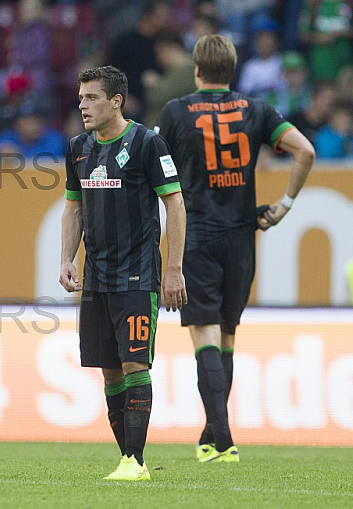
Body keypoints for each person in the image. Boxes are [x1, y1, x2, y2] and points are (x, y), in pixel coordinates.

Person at [156, 34, 315, 463]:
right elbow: (305, 151)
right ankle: (213, 436)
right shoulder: (256, 109)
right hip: (243, 235)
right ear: (234, 69)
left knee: (204, 335)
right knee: (226, 337)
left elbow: (150, 169)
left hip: (197, 235)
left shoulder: (176, 112)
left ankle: (222, 438)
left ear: (196, 69)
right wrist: (285, 204)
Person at [59, 65, 187, 481]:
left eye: (92, 97)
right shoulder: (78, 147)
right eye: (81, 98)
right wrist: (67, 258)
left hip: (138, 275)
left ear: (117, 101)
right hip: (97, 278)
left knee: (135, 365)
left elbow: (175, 204)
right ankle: (127, 459)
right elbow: (73, 206)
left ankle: (135, 460)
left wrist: (173, 270)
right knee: (110, 371)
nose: (83, 105)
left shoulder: (148, 143)